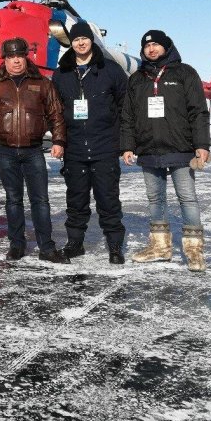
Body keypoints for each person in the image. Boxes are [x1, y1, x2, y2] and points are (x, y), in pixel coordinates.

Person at [120, 29, 211, 272]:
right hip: (149, 149)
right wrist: (128, 145)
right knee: (155, 199)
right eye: (147, 46)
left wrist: (202, 144)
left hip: (180, 149)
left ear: (167, 47)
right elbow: (127, 116)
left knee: (187, 198)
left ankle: (194, 251)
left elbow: (198, 111)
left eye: (156, 45)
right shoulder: (137, 79)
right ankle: (160, 247)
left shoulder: (184, 73)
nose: (151, 49)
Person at [0, 37, 69, 263]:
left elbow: (56, 114)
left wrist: (58, 141)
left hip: (33, 151)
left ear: (25, 57)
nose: (16, 61)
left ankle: (46, 247)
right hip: (5, 150)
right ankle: (17, 245)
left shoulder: (41, 83)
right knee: (13, 199)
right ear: (5, 59)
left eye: (20, 56)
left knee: (40, 200)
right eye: (11, 57)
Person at [53, 21, 128, 264]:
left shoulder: (111, 70)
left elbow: (126, 107)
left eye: (84, 38)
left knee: (108, 200)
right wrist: (59, 140)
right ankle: (75, 243)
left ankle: (114, 246)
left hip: (104, 146)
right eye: (76, 39)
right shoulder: (61, 73)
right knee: (76, 200)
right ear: (71, 43)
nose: (80, 43)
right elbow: (54, 111)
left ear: (91, 40)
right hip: (74, 148)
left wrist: (124, 142)